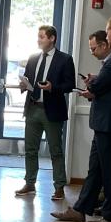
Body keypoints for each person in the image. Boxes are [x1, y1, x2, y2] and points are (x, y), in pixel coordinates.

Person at [52, 19, 111, 222]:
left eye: (108, 32)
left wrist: (93, 84)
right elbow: (110, 82)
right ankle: (81, 209)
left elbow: (102, 84)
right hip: (108, 122)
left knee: (110, 169)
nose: (107, 36)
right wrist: (97, 81)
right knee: (97, 168)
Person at [14, 25, 77, 201]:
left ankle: (59, 187)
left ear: (52, 38)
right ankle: (29, 183)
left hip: (52, 111)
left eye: (42, 37)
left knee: (55, 151)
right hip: (33, 109)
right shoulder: (33, 58)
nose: (38, 40)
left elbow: (69, 85)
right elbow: (28, 79)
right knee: (30, 149)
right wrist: (23, 85)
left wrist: (52, 88)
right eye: (38, 36)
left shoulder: (65, 59)